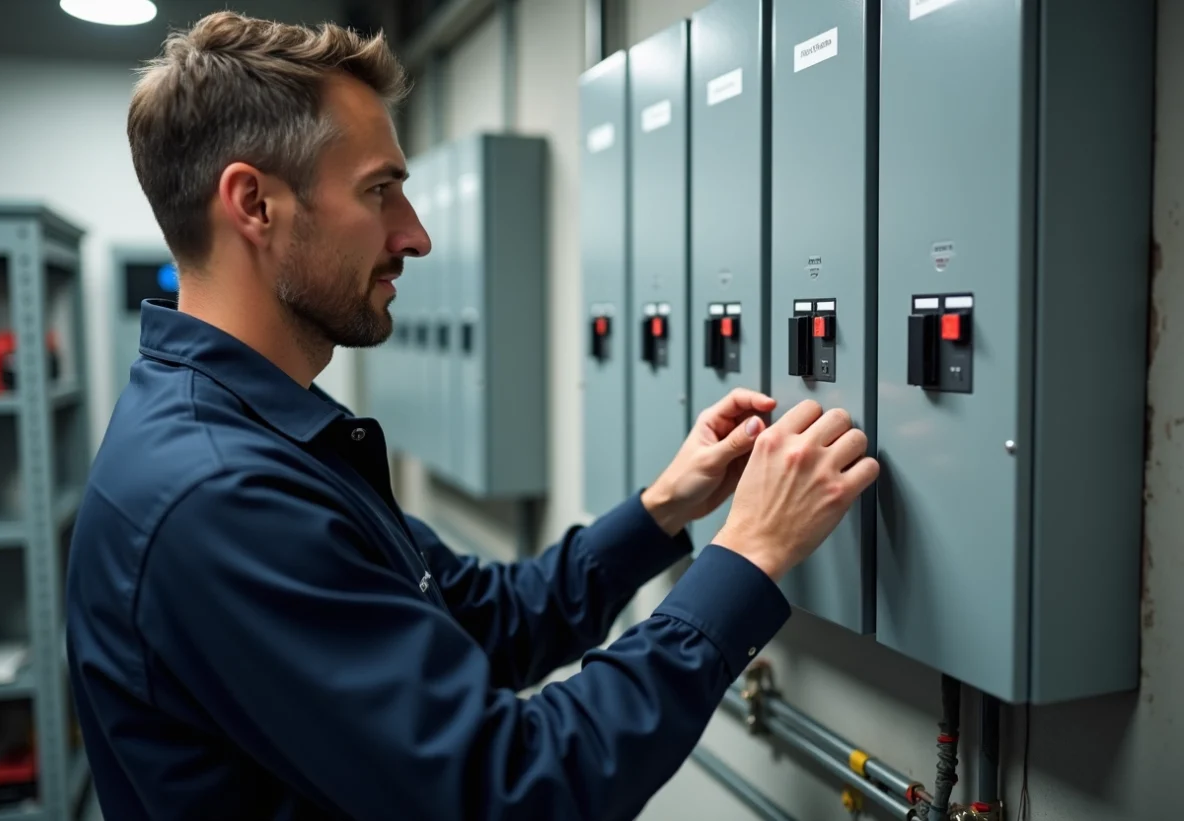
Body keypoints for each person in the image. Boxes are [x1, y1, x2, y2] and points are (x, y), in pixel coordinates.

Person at [65, 11, 879, 821]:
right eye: (379, 190)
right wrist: (749, 553)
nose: (414, 235)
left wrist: (664, 508)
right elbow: (515, 788)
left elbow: (485, 617)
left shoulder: (266, 438)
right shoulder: (218, 497)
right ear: (255, 204)